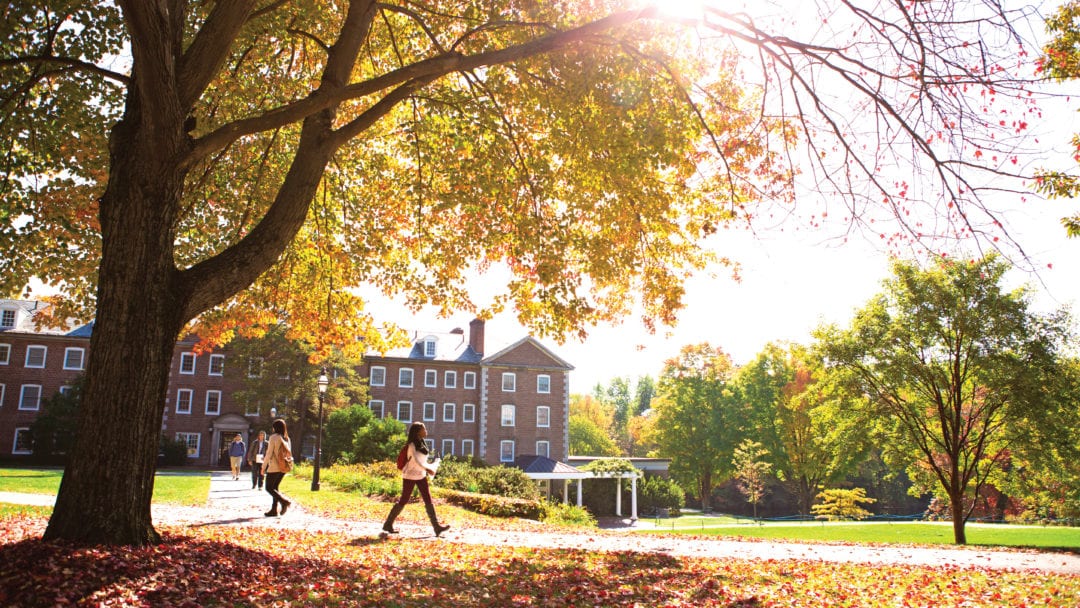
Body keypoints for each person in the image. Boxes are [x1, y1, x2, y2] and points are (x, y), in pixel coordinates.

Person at [382, 422, 450, 537]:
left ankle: (436, 527)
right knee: (404, 499)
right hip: (410, 476)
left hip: (420, 475)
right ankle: (388, 524)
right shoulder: (412, 445)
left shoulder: (422, 443)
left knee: (428, 498)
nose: (426, 431)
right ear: (418, 431)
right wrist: (428, 469)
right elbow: (416, 461)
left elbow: (422, 461)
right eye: (424, 429)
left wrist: (431, 466)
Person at [261, 419, 293, 516]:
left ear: (275, 428)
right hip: (284, 466)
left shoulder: (274, 437)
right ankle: (274, 510)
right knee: (275, 487)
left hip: (275, 466)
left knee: (268, 488)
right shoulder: (287, 438)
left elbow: (269, 453)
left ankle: (284, 502)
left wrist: (263, 467)